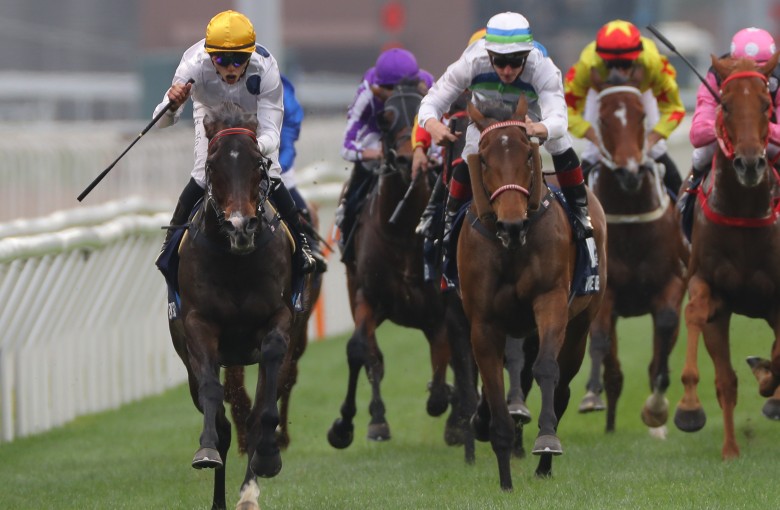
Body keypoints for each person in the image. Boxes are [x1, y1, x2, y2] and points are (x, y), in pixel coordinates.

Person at [153, 10, 316, 276]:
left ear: (250, 55)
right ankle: (170, 247)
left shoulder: (266, 67)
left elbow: (272, 134)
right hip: (211, 116)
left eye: (239, 59)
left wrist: (253, 150)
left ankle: (302, 245)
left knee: (272, 173)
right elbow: (161, 123)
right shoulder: (192, 65)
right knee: (201, 175)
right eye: (221, 59)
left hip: (253, 120)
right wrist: (171, 107)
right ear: (209, 56)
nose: (230, 68)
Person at [417, 11, 594, 243]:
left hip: (528, 114)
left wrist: (539, 128)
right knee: (469, 151)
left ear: (527, 56)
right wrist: (432, 125)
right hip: (486, 115)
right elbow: (431, 102)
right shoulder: (471, 62)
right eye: (500, 62)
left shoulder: (542, 67)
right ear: (488, 54)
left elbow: (559, 120)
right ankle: (449, 221)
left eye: (515, 61)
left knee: (558, 142)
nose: (507, 70)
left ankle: (580, 213)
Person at [679, 27, 780, 235]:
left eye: (762, 69)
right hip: (728, 139)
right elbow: (697, 134)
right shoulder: (716, 76)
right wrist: (727, 125)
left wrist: (753, 127)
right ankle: (684, 214)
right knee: (700, 156)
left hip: (765, 141)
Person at [336, 47, 435, 261]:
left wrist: (431, 152)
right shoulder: (366, 92)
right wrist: (375, 153)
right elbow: (346, 146)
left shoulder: (430, 86)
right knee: (355, 193)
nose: (397, 93)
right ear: (379, 87)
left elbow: (441, 127)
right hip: (378, 135)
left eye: (404, 87)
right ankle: (348, 240)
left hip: (415, 134)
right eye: (390, 88)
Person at [564, 20, 685, 193]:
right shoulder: (587, 65)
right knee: (592, 152)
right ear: (601, 59)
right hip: (600, 94)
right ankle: (576, 210)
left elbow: (674, 109)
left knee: (657, 150)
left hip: (641, 91)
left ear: (637, 57)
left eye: (626, 64)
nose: (620, 72)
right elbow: (566, 110)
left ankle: (681, 209)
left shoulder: (653, 62)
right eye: (611, 65)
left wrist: (650, 141)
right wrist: (595, 137)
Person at [279, 73, 328, 271]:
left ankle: (311, 245)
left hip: (276, 159)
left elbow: (288, 137)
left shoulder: (277, 87)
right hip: (236, 160)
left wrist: (276, 166)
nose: (232, 67)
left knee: (287, 188)